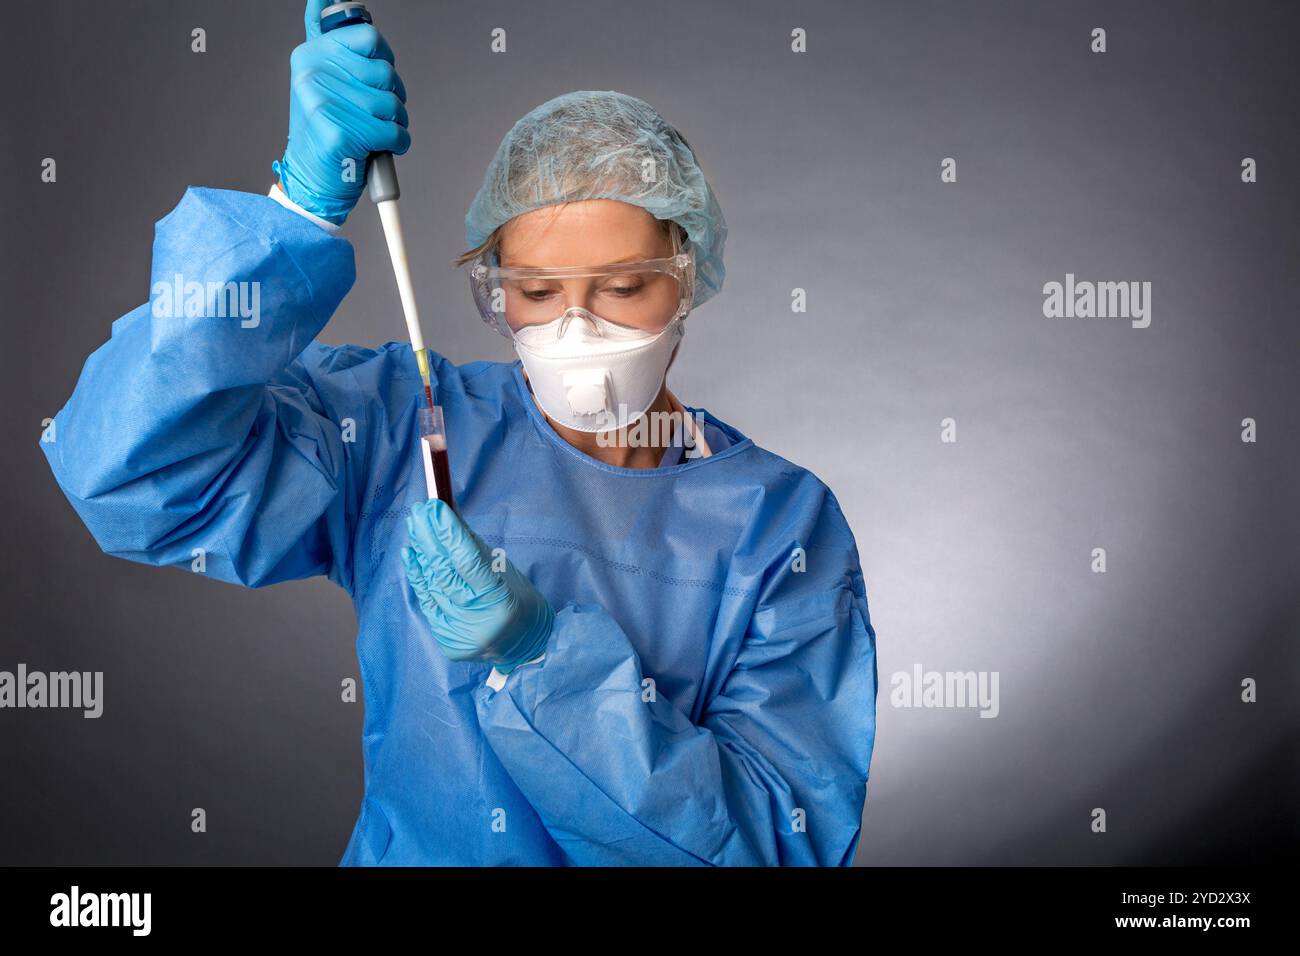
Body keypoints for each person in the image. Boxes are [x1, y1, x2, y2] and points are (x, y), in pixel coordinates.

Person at [40, 0, 879, 866]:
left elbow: (780, 844)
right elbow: (131, 473)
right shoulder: (408, 424)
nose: (577, 330)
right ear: (493, 291)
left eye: (625, 287)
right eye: (538, 293)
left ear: (689, 278)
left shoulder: (779, 526)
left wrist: (543, 657)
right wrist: (298, 208)